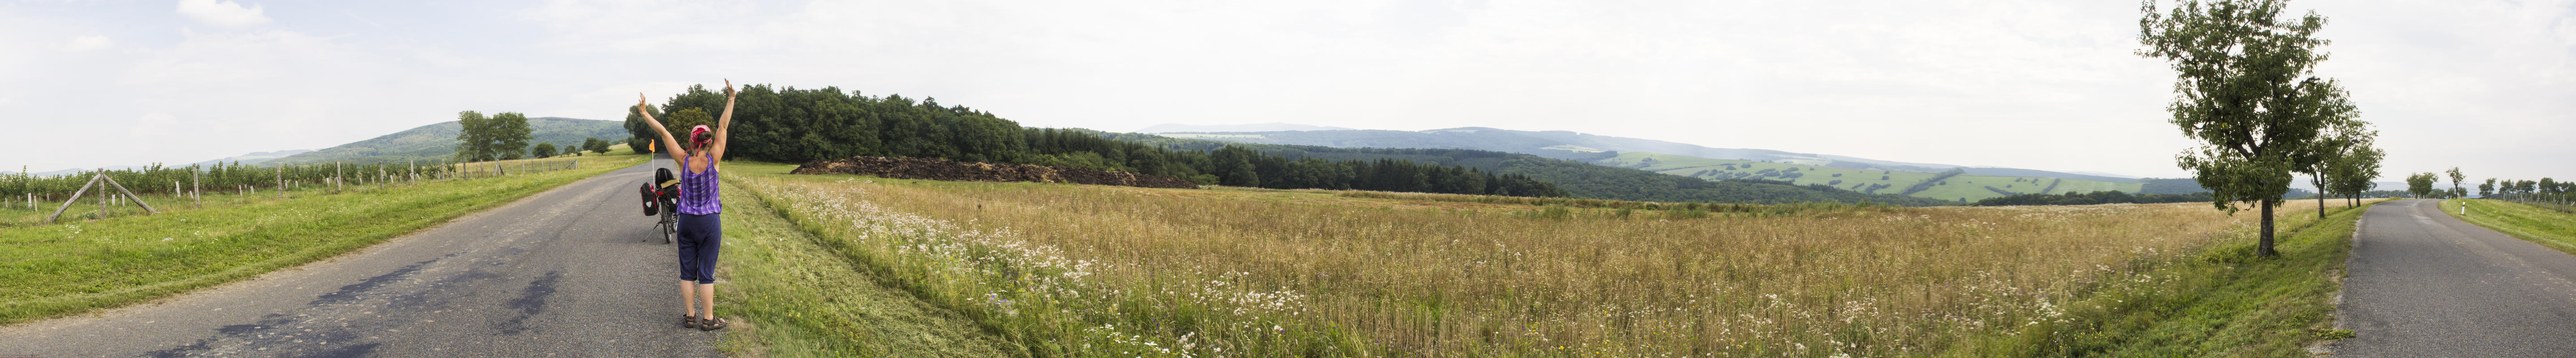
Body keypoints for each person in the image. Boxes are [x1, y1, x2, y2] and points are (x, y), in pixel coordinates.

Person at [635, 80, 736, 331]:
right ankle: (708, 319)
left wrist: (646, 113)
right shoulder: (714, 158)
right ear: (709, 140)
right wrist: (731, 98)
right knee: (707, 272)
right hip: (710, 221)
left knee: (687, 271)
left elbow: (664, 133)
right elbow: (724, 124)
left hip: (687, 221)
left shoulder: (683, 159)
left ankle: (690, 316)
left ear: (692, 141)